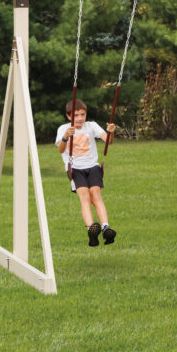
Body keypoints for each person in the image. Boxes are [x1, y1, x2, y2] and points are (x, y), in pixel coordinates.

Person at [55, 98, 117, 247]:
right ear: (68, 116)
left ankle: (106, 227)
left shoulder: (91, 126)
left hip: (93, 167)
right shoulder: (64, 129)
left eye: (82, 114)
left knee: (96, 195)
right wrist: (66, 137)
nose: (80, 118)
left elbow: (108, 141)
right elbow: (61, 150)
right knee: (85, 196)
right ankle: (91, 229)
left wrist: (110, 133)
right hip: (75, 169)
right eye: (76, 115)